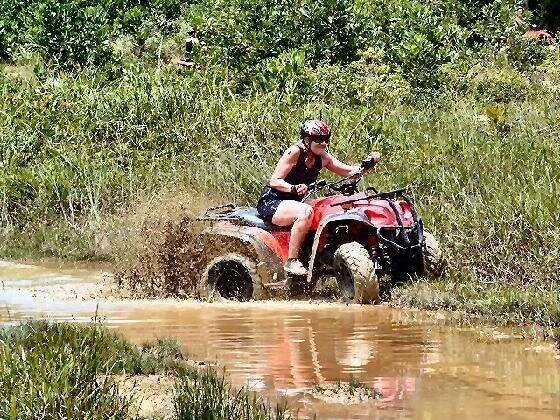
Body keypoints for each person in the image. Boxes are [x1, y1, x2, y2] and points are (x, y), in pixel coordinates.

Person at [256, 119, 381, 276]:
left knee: (325, 208)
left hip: (294, 203)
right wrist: (293, 188)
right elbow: (274, 181)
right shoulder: (295, 152)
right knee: (305, 212)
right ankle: (292, 261)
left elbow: (349, 173)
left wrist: (367, 165)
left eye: (326, 139)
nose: (323, 143)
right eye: (318, 139)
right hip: (273, 201)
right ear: (307, 140)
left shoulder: (323, 158)